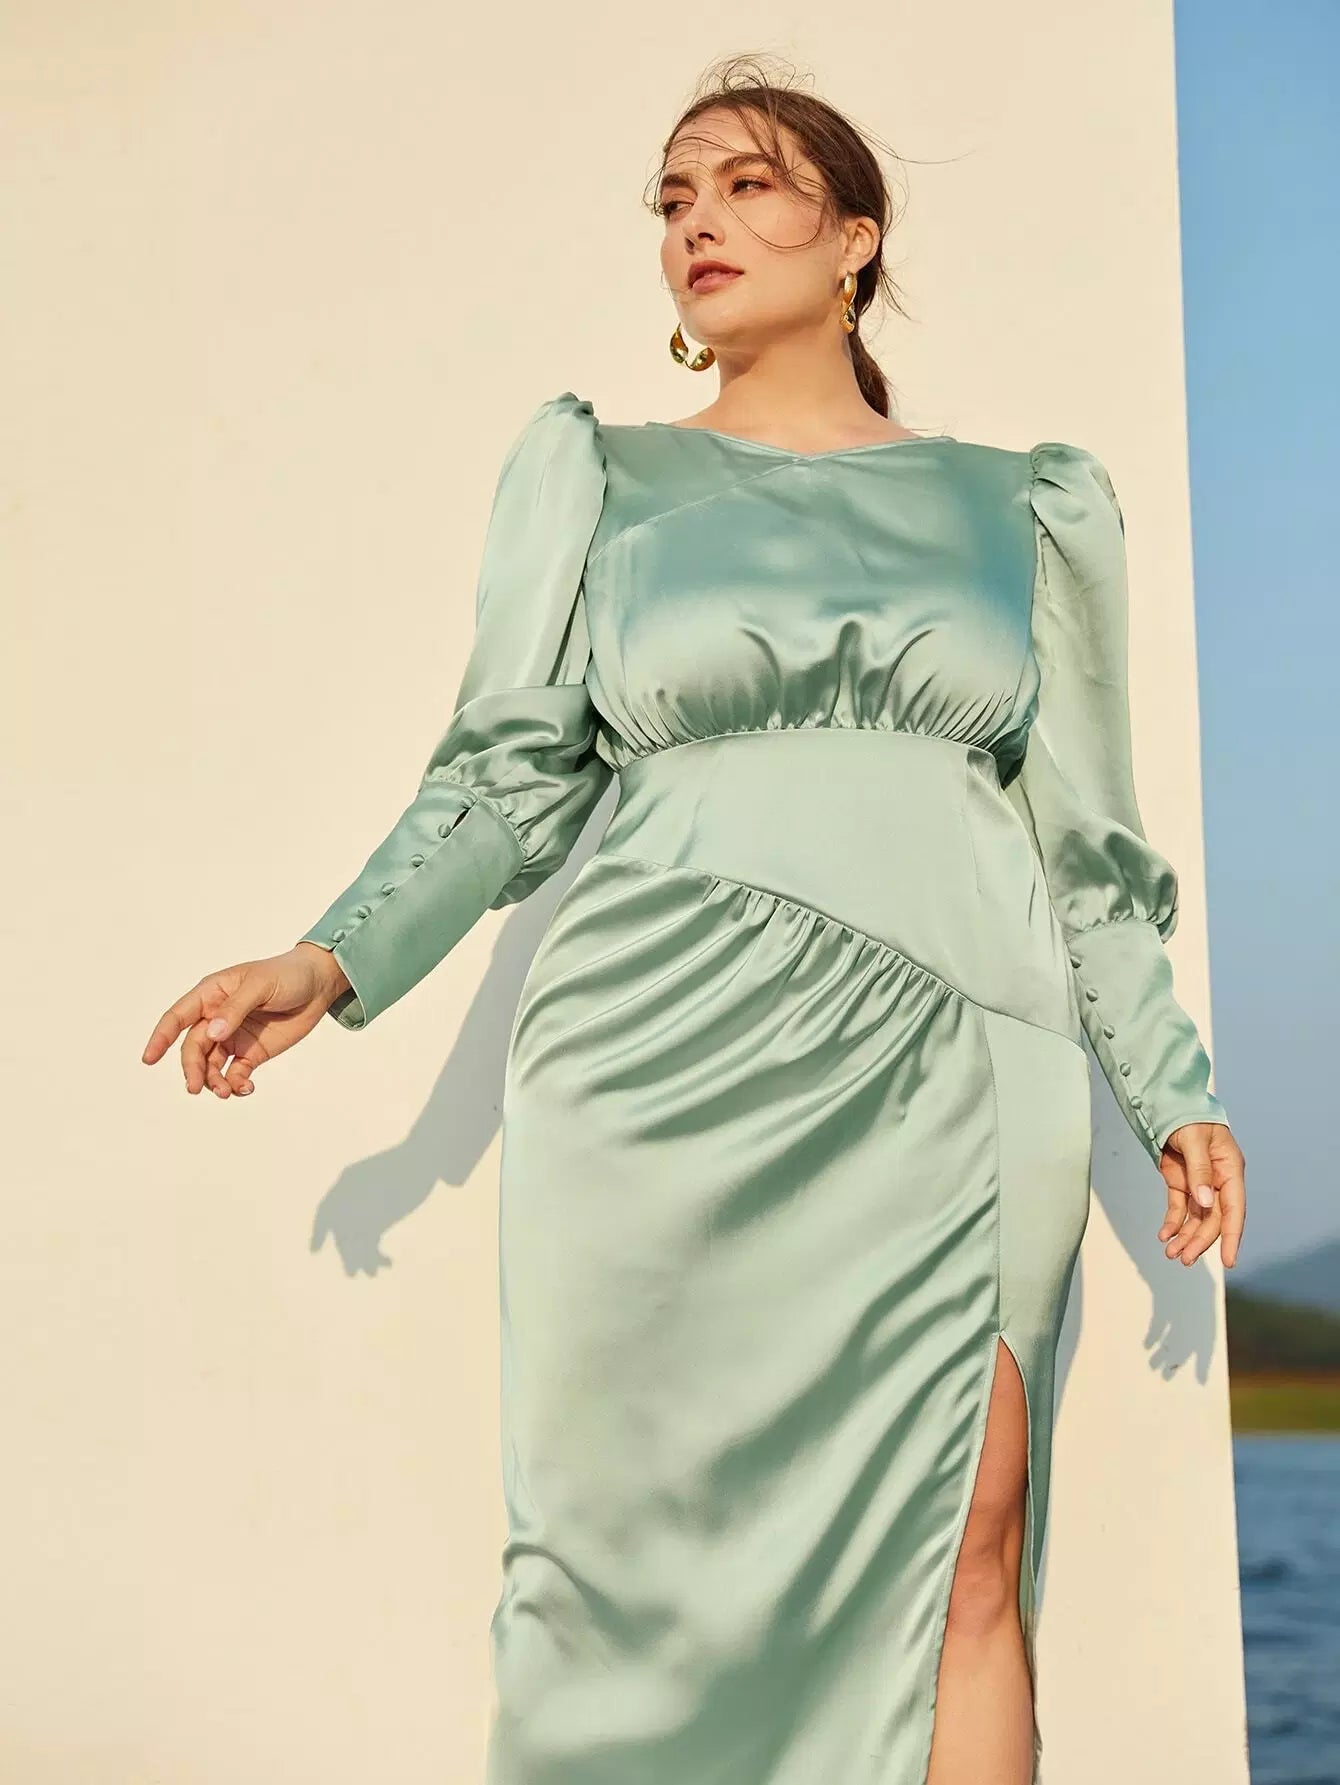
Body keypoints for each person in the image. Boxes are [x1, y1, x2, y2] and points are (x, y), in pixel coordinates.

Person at [142, 61, 1247, 1785]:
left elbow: (1090, 850)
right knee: (635, 1588)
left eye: (746, 185)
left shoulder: (1022, 507)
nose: (696, 225)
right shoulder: (604, 478)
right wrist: (329, 956)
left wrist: (1172, 1087)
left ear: (857, 237)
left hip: (960, 1064)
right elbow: (504, 781)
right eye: (672, 199)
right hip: (658, 1064)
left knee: (967, 1544)